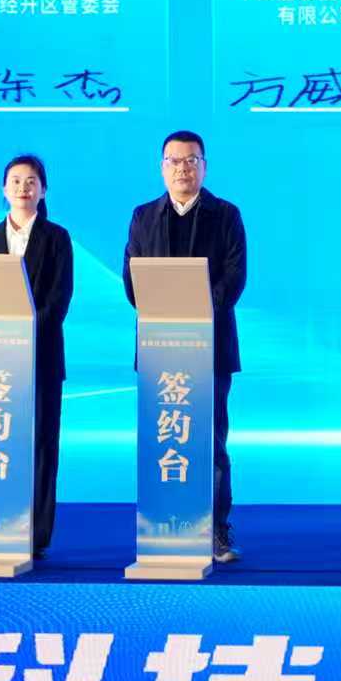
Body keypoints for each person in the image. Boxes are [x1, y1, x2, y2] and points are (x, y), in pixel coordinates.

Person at [124, 130, 249, 563]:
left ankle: (215, 530)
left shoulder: (226, 214)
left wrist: (196, 312)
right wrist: (166, 312)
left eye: (191, 160)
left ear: (204, 167)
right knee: (165, 439)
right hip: (159, 348)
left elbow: (235, 276)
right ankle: (164, 525)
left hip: (211, 347)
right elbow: (132, 278)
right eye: (174, 161)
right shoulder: (143, 216)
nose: (182, 169)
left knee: (210, 442)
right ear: (162, 168)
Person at [0, 154, 73, 558]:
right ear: (3, 189)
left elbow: (59, 300)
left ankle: (37, 533)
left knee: (42, 444)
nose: (23, 188)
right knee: (0, 441)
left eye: (31, 181)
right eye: (15, 181)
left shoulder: (58, 238)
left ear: (43, 190)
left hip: (42, 357)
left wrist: (23, 333)